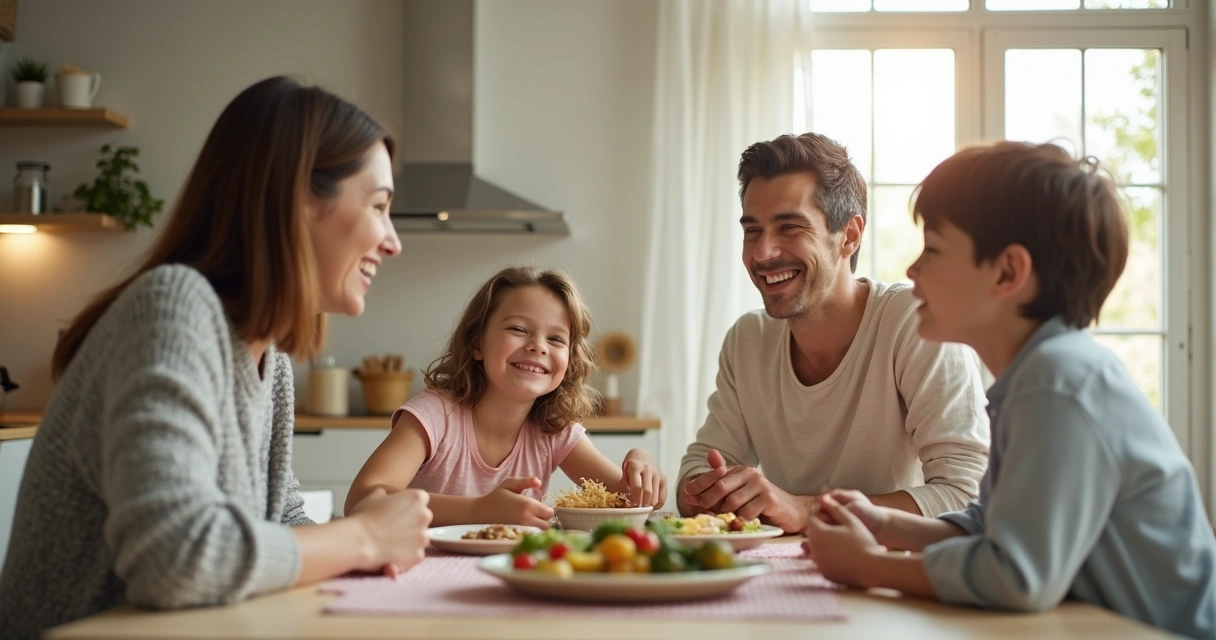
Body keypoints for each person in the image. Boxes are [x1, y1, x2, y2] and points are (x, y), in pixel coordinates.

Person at [0, 76, 433, 640]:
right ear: (298, 199)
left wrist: (367, 541)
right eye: (379, 206)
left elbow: (283, 523)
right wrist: (366, 537)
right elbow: (174, 560)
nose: (393, 240)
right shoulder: (174, 309)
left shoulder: (269, 359)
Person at [803, 141, 1216, 639]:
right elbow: (991, 529)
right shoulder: (1036, 376)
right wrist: (886, 526)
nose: (912, 271)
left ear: (1008, 272)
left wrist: (868, 566)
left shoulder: (1057, 383)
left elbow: (1018, 576)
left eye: (932, 250)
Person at [677, 132, 991, 533]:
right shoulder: (747, 340)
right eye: (752, 231)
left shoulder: (912, 323)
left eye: (789, 227)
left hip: (892, 578)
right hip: (787, 573)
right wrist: (711, 491)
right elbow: (697, 467)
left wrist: (806, 510)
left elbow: (968, 495)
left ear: (850, 236)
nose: (761, 253)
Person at [347, 265, 666, 527]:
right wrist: (477, 511)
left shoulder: (552, 431)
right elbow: (362, 500)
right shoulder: (434, 415)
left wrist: (642, 459)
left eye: (556, 338)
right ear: (476, 344)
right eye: (518, 329)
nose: (538, 346)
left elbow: (632, 501)